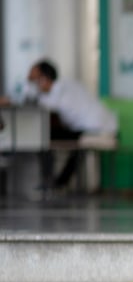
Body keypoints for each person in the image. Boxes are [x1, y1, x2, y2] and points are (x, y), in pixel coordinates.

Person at [18, 59, 117, 190]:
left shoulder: (57, 91)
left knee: (43, 138)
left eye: (35, 79)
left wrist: (29, 86)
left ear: (43, 79)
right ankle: (59, 182)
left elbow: (32, 101)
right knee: (54, 139)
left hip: (95, 129)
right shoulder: (67, 84)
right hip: (99, 127)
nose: (34, 83)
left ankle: (52, 181)